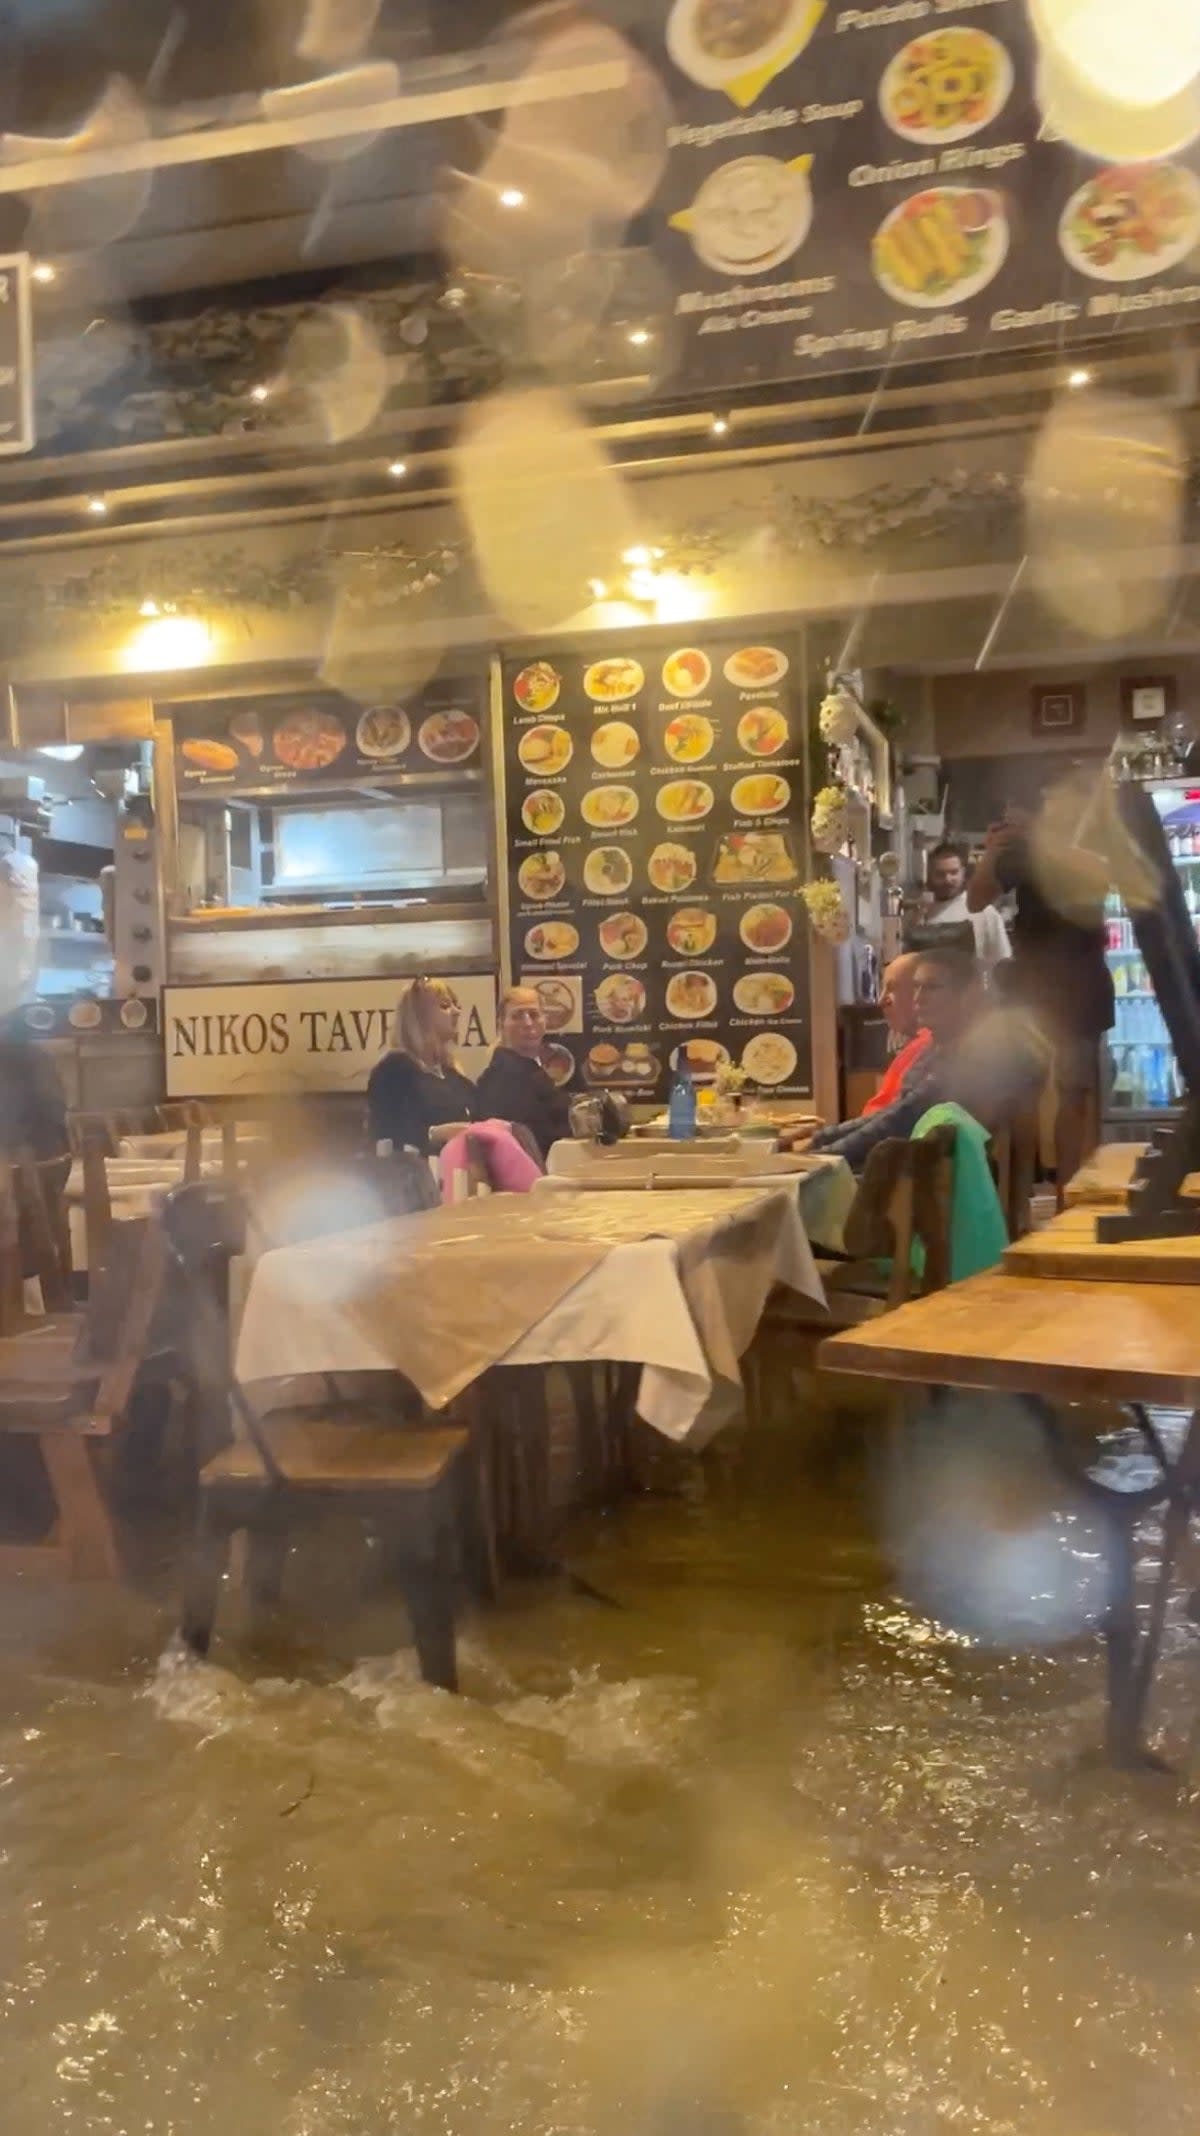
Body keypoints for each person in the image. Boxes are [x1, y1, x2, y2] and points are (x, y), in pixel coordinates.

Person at [967, 795, 1113, 1194]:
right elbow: (976, 900)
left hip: (1081, 983)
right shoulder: (1025, 854)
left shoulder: (1087, 846)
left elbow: (1098, 873)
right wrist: (991, 853)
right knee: (1023, 1091)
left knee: (1074, 1091)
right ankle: (1021, 1194)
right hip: (1032, 985)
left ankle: (1069, 1193)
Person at [799, 947, 1043, 1172]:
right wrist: (820, 1140)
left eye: (932, 987)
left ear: (969, 995)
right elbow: (893, 1112)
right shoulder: (941, 1044)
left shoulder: (972, 1055)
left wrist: (821, 1157)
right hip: (918, 1172)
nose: (918, 998)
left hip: (930, 1193)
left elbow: (899, 1119)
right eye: (916, 987)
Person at [366, 976, 480, 1157]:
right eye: (445, 1006)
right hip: (419, 1177)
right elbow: (385, 1133)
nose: (457, 1012)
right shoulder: (394, 1070)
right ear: (419, 1017)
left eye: (456, 1005)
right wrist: (435, 1133)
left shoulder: (454, 1076)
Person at [474, 985, 572, 1161]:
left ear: (545, 1020)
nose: (527, 1023)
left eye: (534, 1015)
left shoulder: (533, 1069)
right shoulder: (502, 1077)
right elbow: (536, 1136)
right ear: (501, 1024)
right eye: (517, 1016)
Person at [924, 840, 1011, 972]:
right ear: (930, 875)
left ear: (963, 873)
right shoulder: (922, 914)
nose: (948, 879)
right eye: (940, 874)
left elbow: (1003, 960)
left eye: (953, 872)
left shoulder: (983, 912)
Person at [863, 952, 931, 1117]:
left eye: (892, 988)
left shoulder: (925, 1046)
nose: (881, 1000)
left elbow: (885, 1123)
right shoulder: (922, 1043)